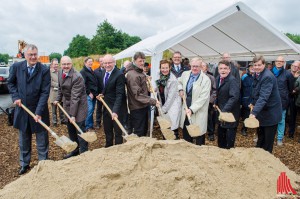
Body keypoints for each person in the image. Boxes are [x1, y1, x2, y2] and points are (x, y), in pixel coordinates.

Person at [7, 44, 50, 175]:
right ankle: (24, 164)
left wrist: (38, 112)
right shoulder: (16, 67)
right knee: (24, 140)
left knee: (42, 140)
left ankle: (44, 164)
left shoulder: (44, 70)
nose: (33, 57)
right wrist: (16, 96)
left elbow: (44, 92)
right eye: (30, 55)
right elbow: (11, 83)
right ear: (25, 55)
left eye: (35, 54)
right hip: (22, 109)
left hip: (39, 110)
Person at [54, 56, 88, 159]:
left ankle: (84, 152)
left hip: (79, 105)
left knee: (79, 129)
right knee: (71, 129)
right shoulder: (60, 72)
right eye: (64, 64)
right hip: (68, 105)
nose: (66, 66)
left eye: (68, 64)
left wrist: (73, 115)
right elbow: (60, 88)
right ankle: (74, 150)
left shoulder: (77, 77)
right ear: (61, 65)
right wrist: (58, 99)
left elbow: (75, 97)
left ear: (71, 64)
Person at [249, 55, 282, 153]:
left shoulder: (267, 76)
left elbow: (263, 97)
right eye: (255, 65)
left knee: (267, 142)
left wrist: (254, 113)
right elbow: (256, 90)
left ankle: (267, 162)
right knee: (261, 138)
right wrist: (252, 103)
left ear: (264, 64)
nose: (257, 67)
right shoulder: (257, 74)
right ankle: (259, 159)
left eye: (259, 65)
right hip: (263, 112)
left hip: (271, 114)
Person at [178, 57, 211, 145]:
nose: (194, 68)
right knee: (187, 132)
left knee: (198, 134)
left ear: (201, 67)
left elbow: (203, 98)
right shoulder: (185, 74)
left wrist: (192, 109)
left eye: (197, 66)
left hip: (197, 111)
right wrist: (180, 89)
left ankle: (199, 153)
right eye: (193, 66)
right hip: (186, 108)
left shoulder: (206, 80)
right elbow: (179, 82)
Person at [126, 52, 160, 137]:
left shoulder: (139, 72)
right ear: (134, 61)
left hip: (143, 105)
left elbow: (141, 87)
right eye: (140, 61)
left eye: (143, 61)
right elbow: (137, 94)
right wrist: (153, 101)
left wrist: (145, 80)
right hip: (137, 108)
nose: (142, 63)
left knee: (144, 129)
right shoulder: (132, 75)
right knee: (139, 132)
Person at [99, 54, 126, 147]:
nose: (107, 65)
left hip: (117, 109)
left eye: (109, 63)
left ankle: (118, 151)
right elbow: (106, 89)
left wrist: (115, 111)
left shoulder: (119, 75)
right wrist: (102, 94)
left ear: (114, 62)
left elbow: (120, 95)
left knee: (118, 132)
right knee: (108, 130)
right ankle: (109, 148)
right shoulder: (103, 72)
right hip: (106, 107)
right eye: (105, 63)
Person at [215, 60, 240, 149]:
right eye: (221, 68)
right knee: (221, 137)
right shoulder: (218, 78)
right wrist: (215, 102)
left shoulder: (232, 80)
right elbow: (216, 93)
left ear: (229, 70)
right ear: (218, 70)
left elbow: (234, 97)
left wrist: (224, 111)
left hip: (230, 115)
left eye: (225, 68)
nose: (223, 70)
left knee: (229, 140)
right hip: (221, 113)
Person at [271, 56, 294, 146]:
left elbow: (290, 88)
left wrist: (285, 95)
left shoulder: (288, 74)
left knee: (281, 120)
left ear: (284, 62)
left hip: (282, 101)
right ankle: (270, 136)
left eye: (281, 61)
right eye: (277, 61)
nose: (279, 62)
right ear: (275, 62)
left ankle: (279, 138)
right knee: (270, 119)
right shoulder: (270, 72)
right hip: (270, 100)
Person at [156, 60, 182, 139]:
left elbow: (170, 98)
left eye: (166, 68)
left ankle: (173, 143)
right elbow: (160, 88)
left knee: (171, 126)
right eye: (162, 68)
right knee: (165, 126)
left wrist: (162, 110)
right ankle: (166, 142)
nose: (164, 70)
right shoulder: (159, 75)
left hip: (172, 105)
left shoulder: (173, 80)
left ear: (170, 68)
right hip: (164, 101)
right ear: (160, 68)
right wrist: (154, 89)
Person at [80, 57, 98, 131]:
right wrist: (88, 92)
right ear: (85, 62)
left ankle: (90, 125)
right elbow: (83, 84)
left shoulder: (91, 70)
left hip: (93, 93)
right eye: (89, 61)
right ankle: (87, 126)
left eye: (91, 61)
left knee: (92, 109)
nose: (90, 63)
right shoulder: (83, 71)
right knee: (89, 110)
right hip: (88, 94)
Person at [201, 61, 216, 141]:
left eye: (203, 66)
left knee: (208, 118)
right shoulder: (196, 76)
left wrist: (210, 100)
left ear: (206, 67)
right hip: (198, 102)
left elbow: (214, 90)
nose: (202, 67)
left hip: (208, 102)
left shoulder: (211, 77)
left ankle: (211, 133)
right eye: (201, 66)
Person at [240, 62, 255, 136]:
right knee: (245, 115)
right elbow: (241, 89)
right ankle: (244, 129)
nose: (252, 68)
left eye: (253, 66)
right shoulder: (244, 77)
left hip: (255, 99)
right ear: (248, 68)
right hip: (246, 99)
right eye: (250, 67)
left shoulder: (257, 77)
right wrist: (241, 100)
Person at [49, 58, 64, 126]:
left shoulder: (60, 71)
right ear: (51, 64)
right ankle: (54, 122)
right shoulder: (49, 72)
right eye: (55, 64)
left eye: (57, 64)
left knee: (61, 108)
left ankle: (62, 120)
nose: (56, 65)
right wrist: (59, 85)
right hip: (54, 93)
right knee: (54, 109)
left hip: (61, 93)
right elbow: (50, 82)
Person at [287, 61, 300, 139]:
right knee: (285, 116)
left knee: (293, 117)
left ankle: (291, 133)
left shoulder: (298, 75)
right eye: (294, 66)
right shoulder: (286, 73)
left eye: (297, 67)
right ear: (291, 66)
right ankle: (284, 132)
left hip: (296, 98)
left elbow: (296, 88)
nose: (295, 68)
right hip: (287, 97)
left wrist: (296, 89)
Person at [94, 57, 104, 129]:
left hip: (107, 93)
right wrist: (96, 93)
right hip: (99, 93)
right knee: (99, 108)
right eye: (101, 61)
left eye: (103, 61)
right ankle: (98, 122)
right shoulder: (96, 71)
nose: (102, 62)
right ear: (99, 62)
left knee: (107, 108)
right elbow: (95, 83)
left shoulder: (108, 70)